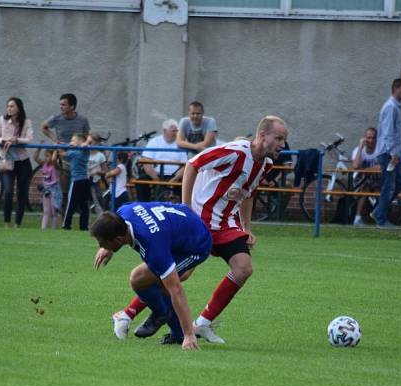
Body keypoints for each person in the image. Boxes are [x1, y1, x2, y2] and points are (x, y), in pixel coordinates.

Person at [111, 116, 288, 344]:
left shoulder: (265, 164)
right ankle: (127, 314)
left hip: (224, 224)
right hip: (200, 223)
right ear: (262, 135)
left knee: (243, 268)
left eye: (284, 139)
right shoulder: (235, 152)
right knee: (176, 275)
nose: (283, 144)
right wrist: (187, 210)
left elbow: (249, 193)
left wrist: (246, 227)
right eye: (279, 138)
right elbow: (194, 164)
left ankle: (202, 324)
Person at [92, 202, 212, 349]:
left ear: (118, 239)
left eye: (103, 243)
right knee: (155, 280)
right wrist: (108, 249)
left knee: (146, 280)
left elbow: (176, 290)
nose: (101, 246)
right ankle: (172, 327)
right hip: (182, 224)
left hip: (196, 245)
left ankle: (171, 323)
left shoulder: (153, 246)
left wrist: (189, 334)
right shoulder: (123, 212)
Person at [372, 78, 401, 228]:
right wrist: (394, 153)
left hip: (393, 154)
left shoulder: (395, 107)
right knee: (388, 186)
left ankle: (378, 211)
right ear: (396, 89)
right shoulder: (390, 107)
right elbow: (387, 133)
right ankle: (381, 219)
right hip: (388, 154)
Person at [0, 97, 34, 228]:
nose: (9, 108)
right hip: (7, 161)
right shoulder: (2, 119)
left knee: (22, 193)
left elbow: (29, 139)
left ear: (19, 108)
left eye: (12, 106)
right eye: (8, 106)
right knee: (8, 192)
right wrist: (4, 140)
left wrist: (17, 140)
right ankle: (6, 223)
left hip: (23, 162)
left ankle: (17, 224)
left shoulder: (26, 122)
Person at [41, 93, 90, 196]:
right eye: (60, 104)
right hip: (63, 158)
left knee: (79, 191)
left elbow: (87, 136)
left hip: (78, 159)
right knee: (64, 191)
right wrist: (55, 140)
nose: (61, 107)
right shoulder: (57, 118)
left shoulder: (82, 120)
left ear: (72, 106)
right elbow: (43, 127)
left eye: (64, 105)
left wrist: (84, 143)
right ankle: (63, 211)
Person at [139, 118, 189, 201]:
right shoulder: (154, 142)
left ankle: (182, 208)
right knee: (141, 180)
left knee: (187, 181)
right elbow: (146, 162)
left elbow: (185, 165)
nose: (176, 133)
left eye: (177, 130)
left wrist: (174, 179)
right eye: (173, 131)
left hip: (174, 176)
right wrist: (156, 179)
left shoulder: (181, 143)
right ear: (165, 130)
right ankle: (144, 206)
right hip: (156, 174)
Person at [350, 127, 380, 226]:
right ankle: (358, 217)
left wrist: (369, 169)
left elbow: (383, 166)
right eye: (369, 138)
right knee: (365, 187)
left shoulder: (380, 150)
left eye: (373, 138)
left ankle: (380, 217)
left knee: (380, 189)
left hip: (376, 179)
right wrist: (360, 147)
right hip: (360, 180)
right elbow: (355, 166)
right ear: (364, 138)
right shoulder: (359, 150)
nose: (371, 140)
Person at [61, 133, 91, 230]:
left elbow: (62, 153)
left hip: (77, 181)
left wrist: (84, 143)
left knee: (72, 204)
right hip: (84, 181)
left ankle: (66, 225)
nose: (71, 142)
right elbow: (62, 154)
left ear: (80, 141)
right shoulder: (76, 151)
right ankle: (84, 226)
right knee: (83, 205)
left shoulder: (78, 151)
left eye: (73, 140)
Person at [35, 148, 62, 230]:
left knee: (54, 212)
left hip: (55, 190)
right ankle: (43, 229)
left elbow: (54, 160)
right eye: (45, 156)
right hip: (46, 190)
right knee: (46, 211)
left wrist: (55, 150)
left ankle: (53, 229)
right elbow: (35, 158)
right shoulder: (44, 164)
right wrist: (39, 149)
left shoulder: (56, 165)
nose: (46, 158)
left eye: (48, 156)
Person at [86, 132, 108, 213]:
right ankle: (86, 223)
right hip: (85, 180)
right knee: (85, 202)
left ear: (97, 143)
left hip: (95, 181)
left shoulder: (100, 155)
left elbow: (105, 171)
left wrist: (97, 172)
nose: (90, 144)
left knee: (98, 201)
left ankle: (101, 218)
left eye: (91, 142)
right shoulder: (85, 153)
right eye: (88, 142)